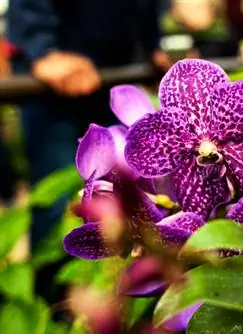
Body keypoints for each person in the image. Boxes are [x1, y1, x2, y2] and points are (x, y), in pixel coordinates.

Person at [6, 0, 171, 247]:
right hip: (56, 86)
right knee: (57, 204)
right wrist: (43, 50)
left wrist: (150, 45)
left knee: (139, 190)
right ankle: (51, 283)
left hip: (112, 78)